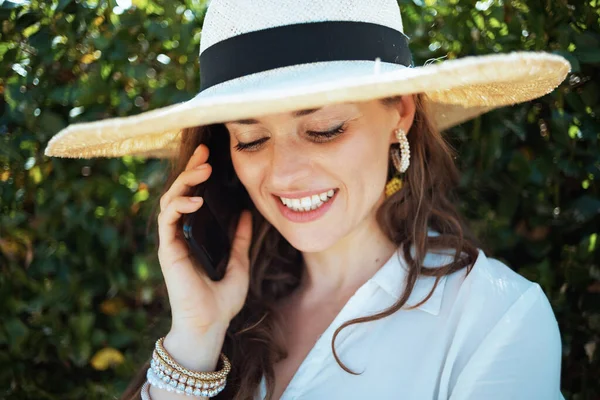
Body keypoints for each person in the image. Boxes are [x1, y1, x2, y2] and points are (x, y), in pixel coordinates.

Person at [44, 1, 571, 399]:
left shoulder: (493, 318)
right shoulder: (232, 311)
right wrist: (194, 341)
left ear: (401, 114)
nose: (284, 173)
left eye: (324, 129)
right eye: (249, 139)